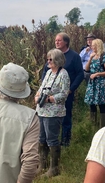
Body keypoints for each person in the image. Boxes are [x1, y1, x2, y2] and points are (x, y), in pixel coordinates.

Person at [41, 32, 84, 147]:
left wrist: (71, 89)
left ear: (66, 42)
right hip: (49, 95)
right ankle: (49, 141)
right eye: (56, 40)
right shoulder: (53, 56)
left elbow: (80, 74)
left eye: (59, 40)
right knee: (49, 118)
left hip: (66, 92)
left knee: (66, 116)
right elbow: (45, 72)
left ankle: (65, 141)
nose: (56, 42)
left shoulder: (74, 56)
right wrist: (42, 89)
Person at [35, 49, 70, 177]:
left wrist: (50, 99)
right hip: (42, 110)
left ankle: (54, 168)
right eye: (48, 59)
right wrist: (37, 96)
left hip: (54, 112)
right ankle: (42, 165)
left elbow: (64, 93)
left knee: (52, 139)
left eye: (50, 59)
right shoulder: (49, 72)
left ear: (57, 60)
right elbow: (41, 87)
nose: (48, 62)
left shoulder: (63, 74)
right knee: (41, 138)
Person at [85, 38, 105, 128]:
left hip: (100, 83)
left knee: (101, 104)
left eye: (94, 45)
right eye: (92, 45)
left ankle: (102, 125)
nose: (92, 47)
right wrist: (90, 58)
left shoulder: (103, 57)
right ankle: (93, 124)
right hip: (92, 83)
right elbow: (86, 69)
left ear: (98, 46)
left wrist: (97, 74)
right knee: (91, 103)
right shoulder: (93, 56)